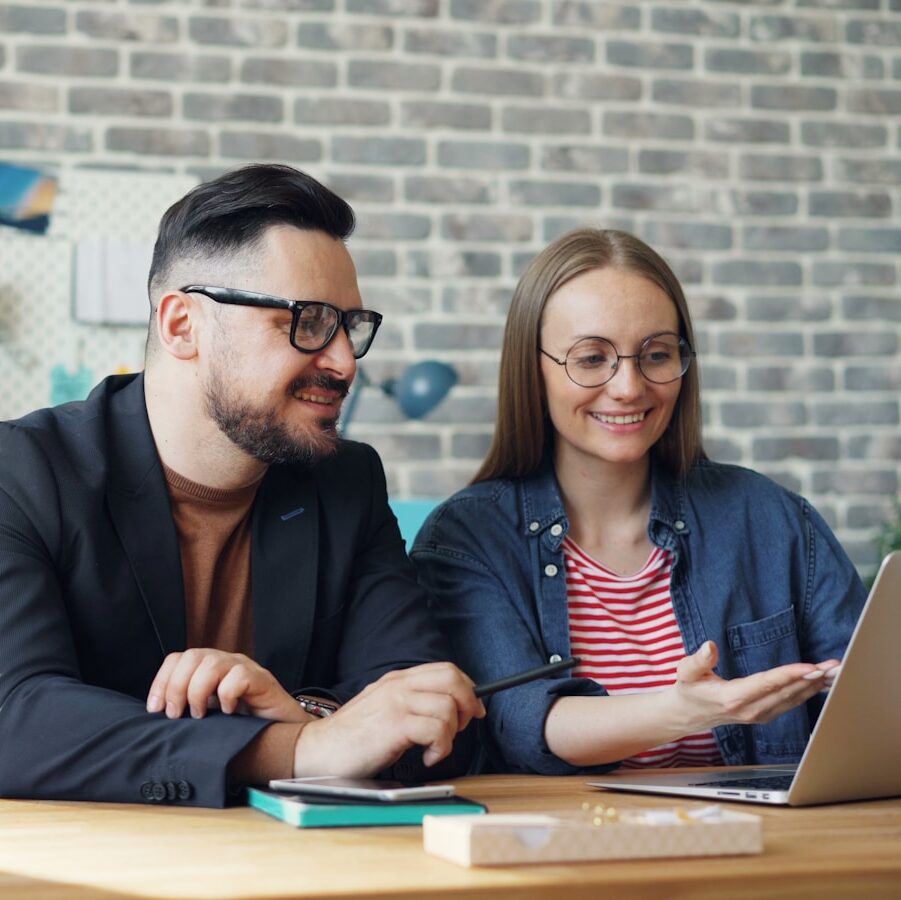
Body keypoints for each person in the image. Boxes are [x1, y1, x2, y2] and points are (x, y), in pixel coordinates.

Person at [0, 163, 484, 807]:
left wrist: (302, 711)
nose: (343, 361)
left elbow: (425, 707)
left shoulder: (345, 482)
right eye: (307, 321)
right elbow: (15, 714)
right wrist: (297, 748)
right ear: (182, 325)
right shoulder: (24, 473)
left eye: (350, 326)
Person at [411, 228, 867, 776]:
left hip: (761, 848)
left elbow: (871, 703)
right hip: (563, 851)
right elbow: (524, 722)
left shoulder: (773, 519)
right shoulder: (467, 539)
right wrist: (682, 712)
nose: (628, 387)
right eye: (591, 358)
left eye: (655, 354)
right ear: (533, 370)